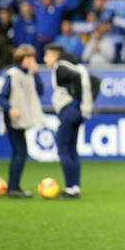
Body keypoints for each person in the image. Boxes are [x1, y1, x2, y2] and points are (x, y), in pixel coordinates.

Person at [43, 43, 95, 199]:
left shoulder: (60, 67)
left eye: (46, 55)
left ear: (54, 54)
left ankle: (69, 188)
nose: (45, 59)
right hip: (77, 112)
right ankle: (75, 187)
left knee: (63, 148)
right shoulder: (75, 65)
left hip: (69, 111)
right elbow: (95, 81)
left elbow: (76, 78)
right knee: (72, 150)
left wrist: (76, 101)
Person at [0, 44, 44, 197]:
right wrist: (10, 108)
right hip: (13, 119)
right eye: (29, 57)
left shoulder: (29, 74)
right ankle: (13, 188)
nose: (32, 60)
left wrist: (36, 74)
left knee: (20, 153)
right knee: (20, 152)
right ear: (21, 58)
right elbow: (1, 97)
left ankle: (14, 186)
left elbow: (40, 91)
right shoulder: (13, 74)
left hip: (22, 118)